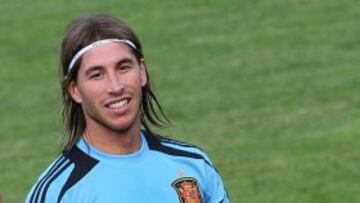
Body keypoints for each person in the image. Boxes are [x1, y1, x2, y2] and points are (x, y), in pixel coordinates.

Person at [25, 14, 230, 203]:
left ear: (142, 72)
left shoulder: (192, 164)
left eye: (123, 68)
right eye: (97, 74)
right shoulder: (58, 192)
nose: (115, 87)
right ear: (75, 90)